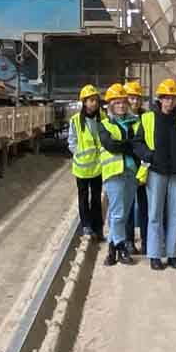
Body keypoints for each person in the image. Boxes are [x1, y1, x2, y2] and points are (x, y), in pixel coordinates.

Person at [126, 78, 176, 272]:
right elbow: (137, 143)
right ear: (160, 99)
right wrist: (149, 156)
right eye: (166, 98)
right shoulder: (148, 118)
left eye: (173, 98)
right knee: (155, 215)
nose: (169, 102)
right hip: (156, 172)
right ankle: (155, 255)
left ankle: (172, 255)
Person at [96, 84, 140, 267]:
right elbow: (111, 146)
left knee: (124, 212)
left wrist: (127, 144)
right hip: (114, 173)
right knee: (117, 213)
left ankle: (111, 250)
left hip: (132, 172)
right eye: (117, 103)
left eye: (123, 102)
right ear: (110, 105)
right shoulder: (104, 125)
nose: (121, 106)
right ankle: (121, 248)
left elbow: (139, 145)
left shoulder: (135, 122)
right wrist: (129, 144)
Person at [66, 83, 106, 241]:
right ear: (84, 102)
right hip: (82, 168)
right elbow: (72, 141)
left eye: (96, 100)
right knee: (83, 198)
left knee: (96, 198)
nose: (94, 103)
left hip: (98, 167)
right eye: (91, 100)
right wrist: (78, 154)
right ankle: (86, 226)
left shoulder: (103, 118)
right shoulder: (76, 120)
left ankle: (98, 228)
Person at [122, 81, 147, 250]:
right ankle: (129, 241)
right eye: (131, 98)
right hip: (128, 167)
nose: (135, 101)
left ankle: (146, 241)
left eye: (138, 98)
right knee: (129, 206)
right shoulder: (121, 119)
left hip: (144, 166)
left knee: (145, 205)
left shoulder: (147, 117)